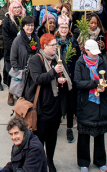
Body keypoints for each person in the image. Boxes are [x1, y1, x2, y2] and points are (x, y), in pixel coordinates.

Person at [28, 33, 71, 171]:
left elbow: (65, 75)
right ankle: (39, 162)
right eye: (53, 45)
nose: (55, 47)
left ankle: (49, 160)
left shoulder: (58, 59)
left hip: (56, 106)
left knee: (52, 137)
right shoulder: (36, 60)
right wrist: (53, 73)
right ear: (45, 46)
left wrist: (63, 79)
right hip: (42, 107)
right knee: (40, 138)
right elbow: (38, 79)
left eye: (55, 44)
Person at [74, 40, 107, 172]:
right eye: (92, 52)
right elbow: (78, 83)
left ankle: (100, 161)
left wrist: (105, 88)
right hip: (86, 103)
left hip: (101, 104)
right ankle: (84, 162)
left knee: (100, 135)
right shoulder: (80, 63)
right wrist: (95, 83)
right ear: (86, 51)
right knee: (83, 135)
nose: (95, 55)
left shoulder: (102, 61)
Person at [55, 16, 80, 144]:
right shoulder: (54, 42)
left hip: (70, 78)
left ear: (69, 28)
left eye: (65, 27)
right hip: (58, 78)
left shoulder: (73, 42)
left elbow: (79, 59)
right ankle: (56, 125)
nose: (63, 30)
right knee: (58, 102)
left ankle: (69, 128)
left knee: (70, 104)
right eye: (61, 27)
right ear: (58, 28)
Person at [3, 0, 23, 106]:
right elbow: (5, 37)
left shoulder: (23, 18)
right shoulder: (7, 20)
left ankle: (19, 92)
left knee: (21, 73)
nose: (17, 9)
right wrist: (16, 47)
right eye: (14, 7)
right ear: (11, 8)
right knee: (11, 72)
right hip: (11, 51)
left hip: (22, 52)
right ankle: (10, 94)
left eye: (18, 7)